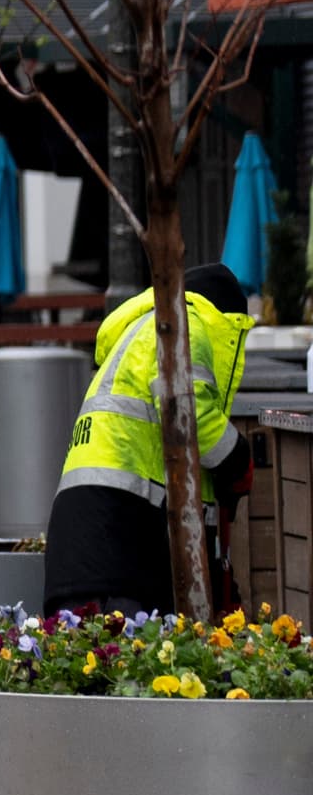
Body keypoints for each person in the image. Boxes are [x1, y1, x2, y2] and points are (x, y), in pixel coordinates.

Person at [42, 263, 253, 617]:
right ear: (228, 323)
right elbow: (191, 416)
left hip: (88, 543)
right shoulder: (184, 325)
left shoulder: (144, 330)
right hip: (115, 549)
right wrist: (238, 458)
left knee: (90, 647)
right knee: (121, 648)